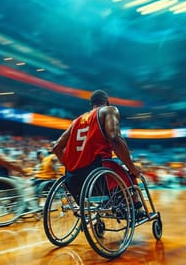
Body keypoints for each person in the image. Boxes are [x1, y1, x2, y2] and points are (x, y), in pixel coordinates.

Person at [52, 89, 146, 219]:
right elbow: (115, 138)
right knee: (130, 175)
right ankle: (136, 208)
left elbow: (56, 147)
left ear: (91, 104)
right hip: (98, 171)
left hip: (74, 180)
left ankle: (114, 203)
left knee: (116, 171)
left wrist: (71, 166)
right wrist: (132, 167)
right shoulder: (109, 110)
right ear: (107, 102)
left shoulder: (76, 121)